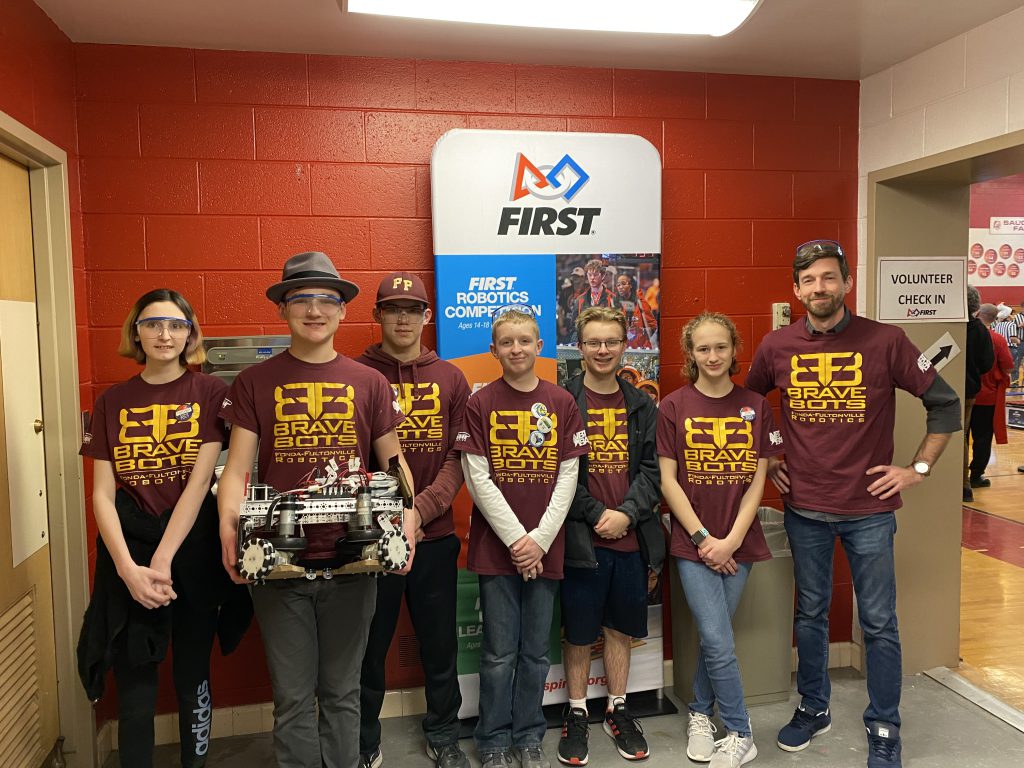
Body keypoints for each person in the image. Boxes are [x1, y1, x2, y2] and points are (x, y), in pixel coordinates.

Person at [744, 240, 961, 768]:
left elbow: (946, 404)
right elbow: (747, 408)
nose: (819, 288)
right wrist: (772, 459)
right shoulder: (775, 345)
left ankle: (885, 726)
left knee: (880, 622)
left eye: (828, 278)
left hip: (869, 513)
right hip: (805, 510)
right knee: (812, 614)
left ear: (845, 282)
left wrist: (918, 470)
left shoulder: (886, 341)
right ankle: (813, 707)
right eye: (809, 281)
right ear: (796, 290)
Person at [217, 252, 415, 768]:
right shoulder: (255, 383)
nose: (314, 309)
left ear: (344, 310)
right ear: (283, 309)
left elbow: (395, 466)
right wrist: (228, 534)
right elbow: (237, 469)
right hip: (280, 566)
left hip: (355, 561)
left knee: (344, 694)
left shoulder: (369, 383)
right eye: (301, 298)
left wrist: (407, 520)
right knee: (293, 700)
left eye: (326, 299)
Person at [78, 289, 251, 768]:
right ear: (136, 331)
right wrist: (130, 570)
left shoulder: (212, 394)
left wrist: (162, 561)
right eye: (153, 324)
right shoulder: (112, 400)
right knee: (135, 684)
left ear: (191, 334)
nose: (165, 334)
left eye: (176, 325)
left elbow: (199, 485)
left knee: (193, 673)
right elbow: (101, 495)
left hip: (189, 553)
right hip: (128, 556)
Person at [455, 305, 589, 768]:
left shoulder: (562, 403)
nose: (516, 348)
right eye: (507, 342)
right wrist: (518, 541)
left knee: (534, 653)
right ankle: (492, 740)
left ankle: (529, 735)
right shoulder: (479, 403)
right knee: (497, 655)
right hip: (498, 551)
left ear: (540, 347)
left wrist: (541, 539)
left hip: (546, 549)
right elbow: (477, 479)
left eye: (524, 340)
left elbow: (568, 476)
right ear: (494, 350)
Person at [658, 312, 783, 768]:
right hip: (693, 542)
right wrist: (703, 538)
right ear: (690, 354)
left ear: (734, 351)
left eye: (721, 347)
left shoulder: (756, 403)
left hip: (738, 542)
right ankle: (742, 730)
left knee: (717, 638)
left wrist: (729, 540)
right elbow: (668, 482)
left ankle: (698, 712)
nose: (713, 356)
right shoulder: (673, 405)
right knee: (716, 636)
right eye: (703, 348)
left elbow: (757, 478)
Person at [357, 272, 471, 768]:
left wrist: (420, 512)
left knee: (439, 645)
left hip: (436, 537)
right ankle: (363, 741)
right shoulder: (355, 374)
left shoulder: (451, 378)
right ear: (377, 315)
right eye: (392, 308)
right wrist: (390, 517)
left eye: (413, 309)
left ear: (428, 316)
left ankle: (444, 735)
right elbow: (351, 457)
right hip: (370, 541)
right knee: (365, 649)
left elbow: (458, 459)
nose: (403, 318)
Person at [557, 307, 664, 766]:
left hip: (630, 539)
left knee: (620, 629)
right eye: (593, 342)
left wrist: (626, 514)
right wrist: (598, 513)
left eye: (611, 342)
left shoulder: (643, 406)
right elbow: (557, 476)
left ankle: (617, 709)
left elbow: (654, 470)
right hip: (582, 539)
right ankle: (577, 712)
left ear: (624, 347)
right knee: (579, 633)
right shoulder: (562, 402)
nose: (603, 350)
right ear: (579, 348)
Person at [969, 303, 1013, 488]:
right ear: (995, 319)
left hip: (965, 393)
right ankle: (976, 475)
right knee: (982, 438)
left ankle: (957, 474)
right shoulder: (997, 339)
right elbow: (1009, 365)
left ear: (977, 313)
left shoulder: (964, 335)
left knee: (959, 436)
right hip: (987, 397)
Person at [963, 286, 995, 502]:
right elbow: (987, 364)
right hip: (969, 390)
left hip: (939, 388)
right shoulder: (980, 330)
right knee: (963, 437)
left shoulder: (947, 325)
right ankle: (963, 484)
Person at [614, 273, 658, 349]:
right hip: (624, 350)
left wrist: (640, 331)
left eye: (623, 284)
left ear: (631, 285)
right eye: (618, 285)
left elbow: (653, 327)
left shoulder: (641, 303)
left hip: (641, 350)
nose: (620, 287)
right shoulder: (616, 304)